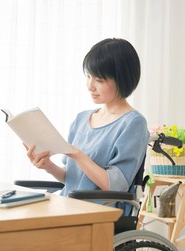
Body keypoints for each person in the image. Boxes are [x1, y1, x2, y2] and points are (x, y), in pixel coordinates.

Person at [25, 38, 149, 198]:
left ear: (122, 79)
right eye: (88, 76)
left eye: (99, 80)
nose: (90, 86)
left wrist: (77, 154)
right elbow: (72, 179)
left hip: (99, 214)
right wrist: (48, 166)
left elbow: (116, 187)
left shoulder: (133, 123)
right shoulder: (81, 119)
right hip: (69, 205)